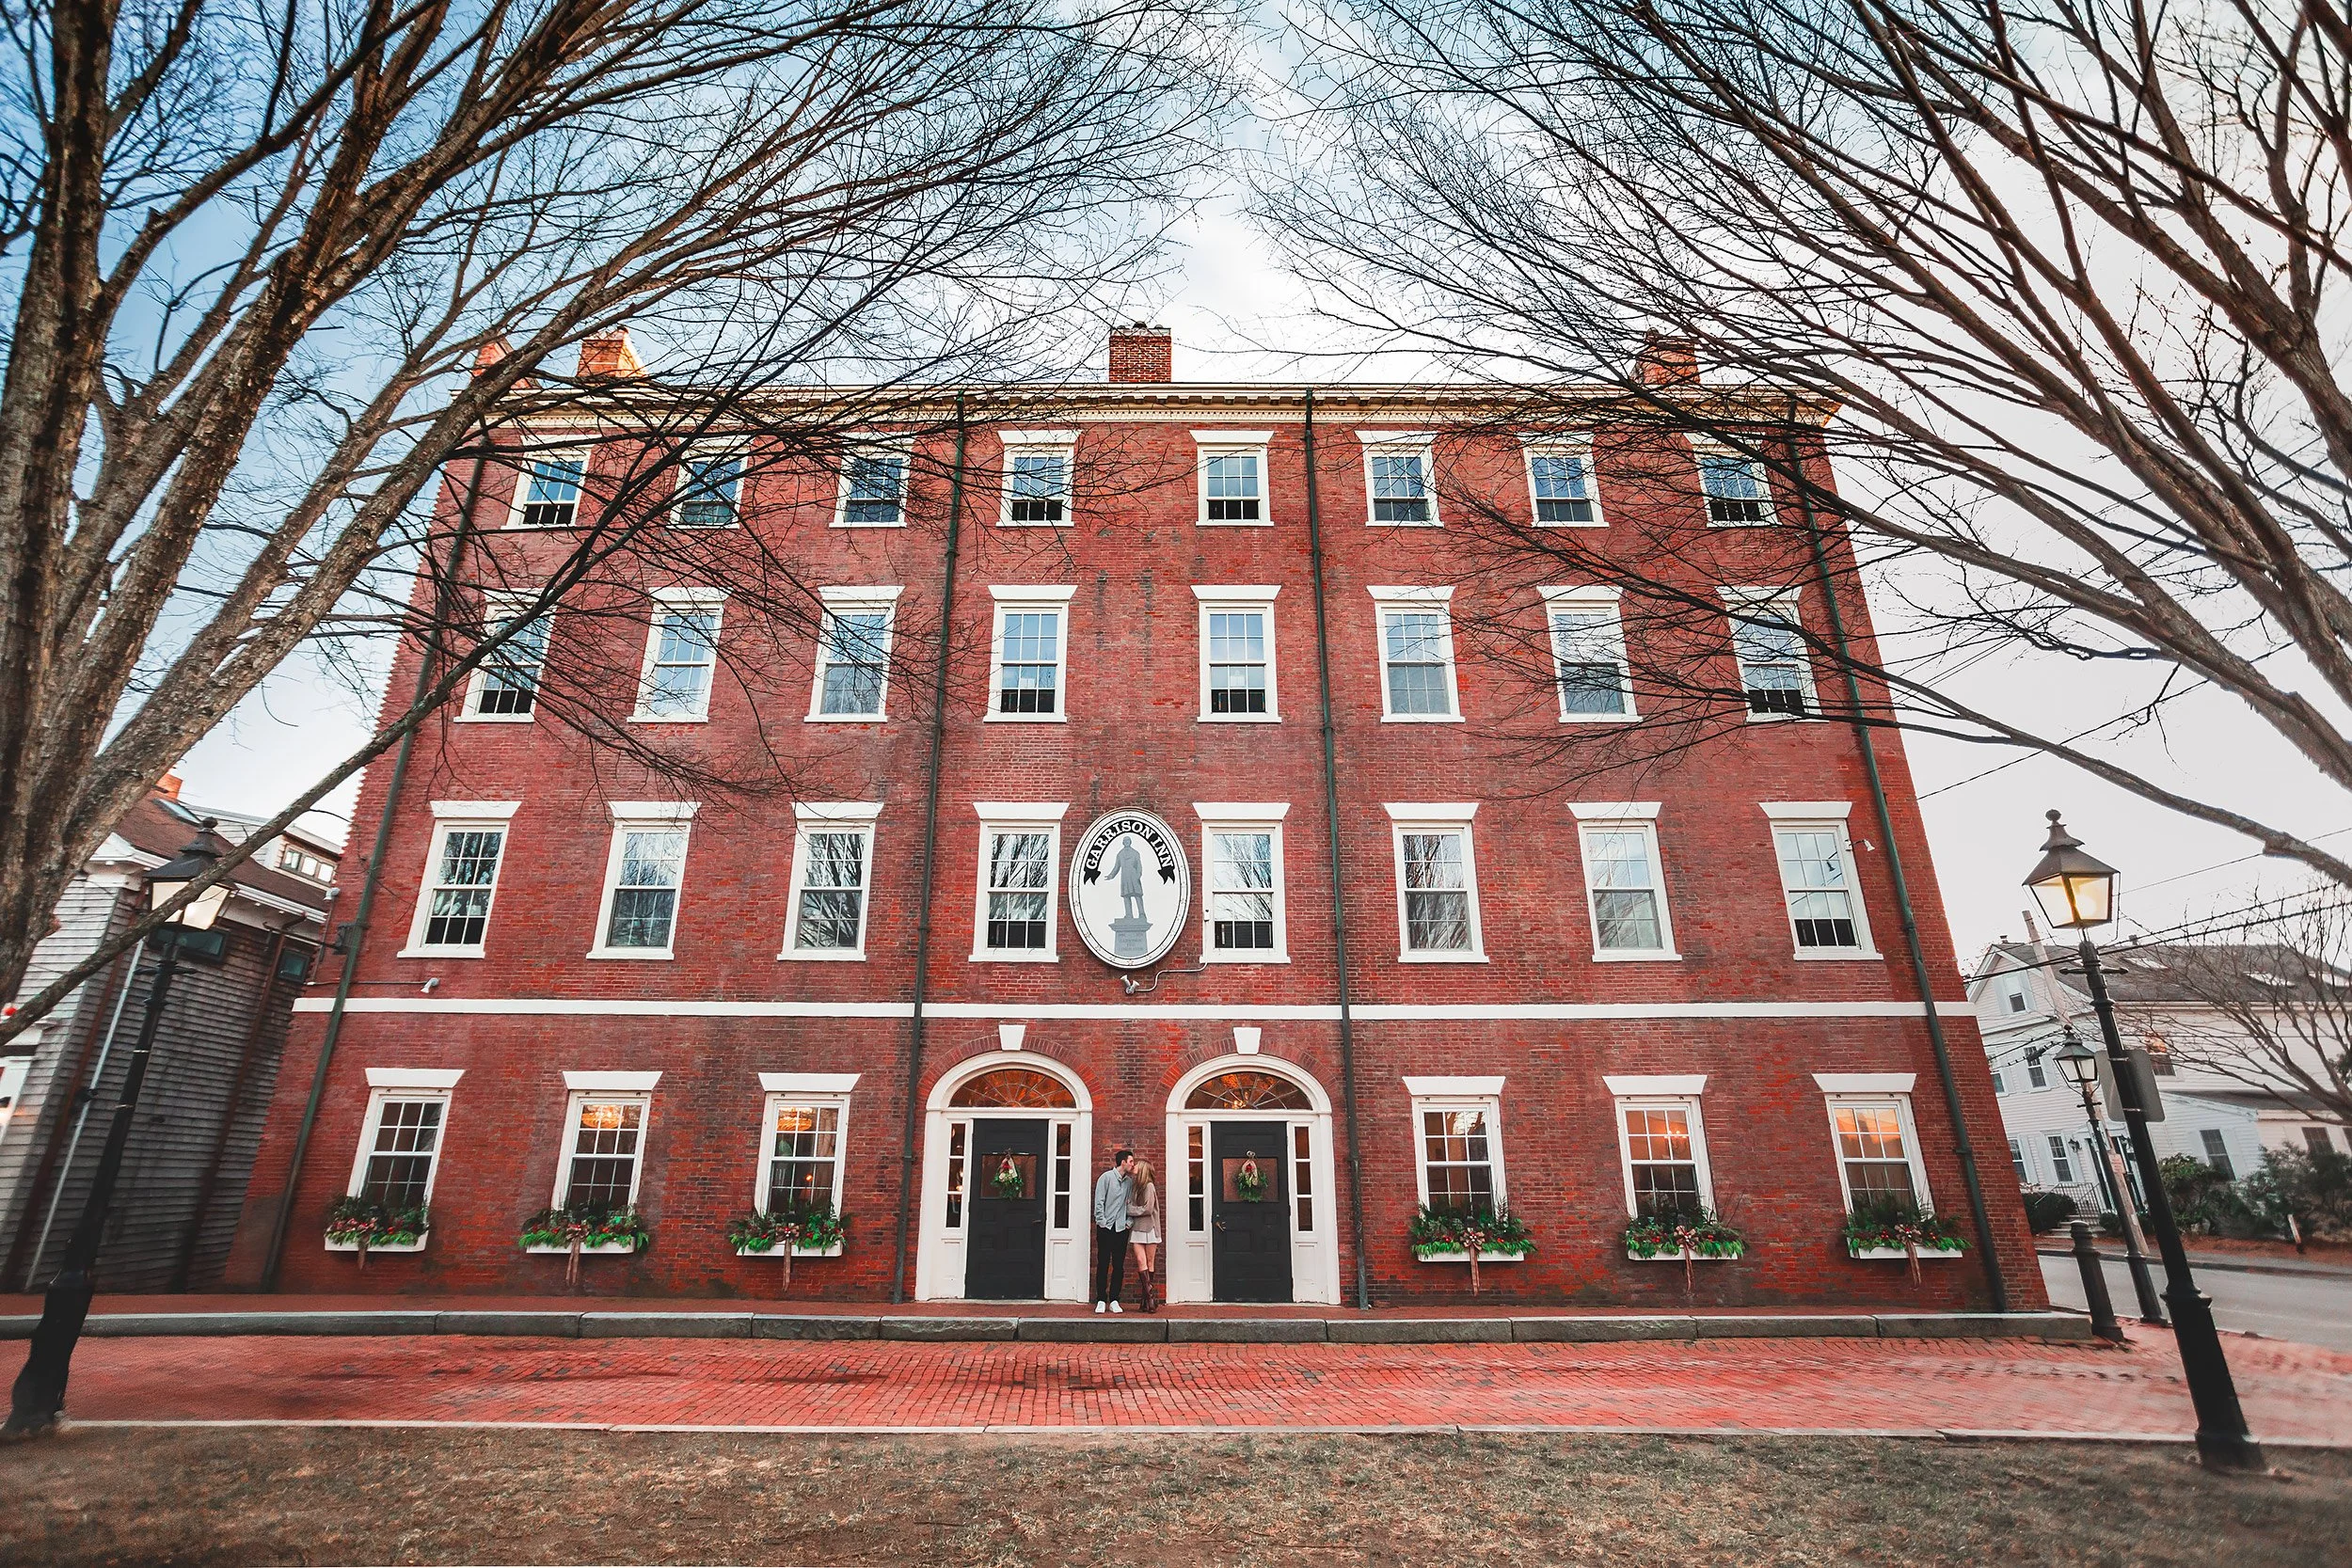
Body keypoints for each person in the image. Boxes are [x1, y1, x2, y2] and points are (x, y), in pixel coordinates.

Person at [1091, 1148, 1136, 1313]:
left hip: (1121, 1229)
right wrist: (1102, 1222)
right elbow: (1099, 1202)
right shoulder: (1106, 1178)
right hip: (1105, 1229)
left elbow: (1130, 1204)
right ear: (1123, 1162)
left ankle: (1115, 1300)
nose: (1133, 1164)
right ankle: (1101, 1299)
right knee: (1103, 1264)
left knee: (1119, 1266)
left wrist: (1128, 1222)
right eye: (1131, 1161)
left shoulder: (1129, 1183)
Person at [1126, 1158, 1162, 1313]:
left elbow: (1147, 1209)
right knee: (1141, 1261)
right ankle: (1150, 1299)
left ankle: (1145, 1300)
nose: (1134, 1166)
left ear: (1143, 1170)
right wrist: (1132, 1208)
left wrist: (1130, 1210)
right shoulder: (1135, 1186)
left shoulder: (1149, 1186)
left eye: (1137, 1165)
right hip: (1137, 1229)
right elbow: (1130, 1203)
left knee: (1149, 1262)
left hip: (1150, 1228)